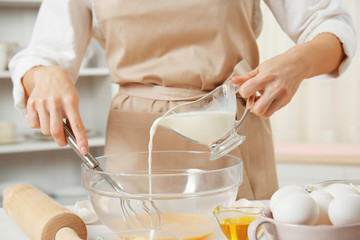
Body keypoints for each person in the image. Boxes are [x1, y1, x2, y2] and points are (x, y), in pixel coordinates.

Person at [9, 0, 356, 200]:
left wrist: (298, 62)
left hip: (230, 137)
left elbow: (332, 25)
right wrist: (43, 74)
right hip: (135, 153)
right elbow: (42, 53)